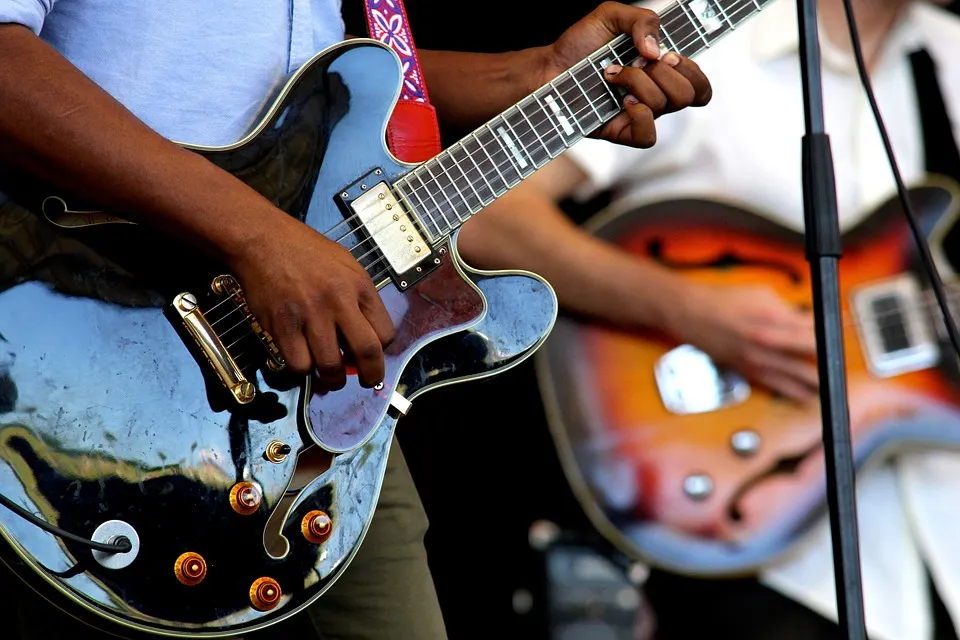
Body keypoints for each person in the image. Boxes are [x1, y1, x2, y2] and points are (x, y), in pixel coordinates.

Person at [0, 1, 714, 638]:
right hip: (82, 335)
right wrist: (260, 238)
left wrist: (530, 75)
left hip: (306, 396)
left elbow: (302, 78)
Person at [451, 0, 960, 638]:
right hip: (745, 537)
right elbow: (483, 212)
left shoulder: (950, 56)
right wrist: (691, 311)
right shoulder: (690, 21)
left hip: (940, 539)